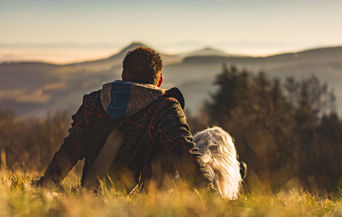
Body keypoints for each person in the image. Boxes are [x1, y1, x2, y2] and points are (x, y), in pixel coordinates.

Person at [36, 46, 212, 191]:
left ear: (122, 76)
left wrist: (45, 185)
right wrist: (211, 194)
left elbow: (69, 152)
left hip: (93, 201)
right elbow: (185, 156)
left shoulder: (93, 103)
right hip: (147, 209)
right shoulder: (164, 109)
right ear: (159, 82)